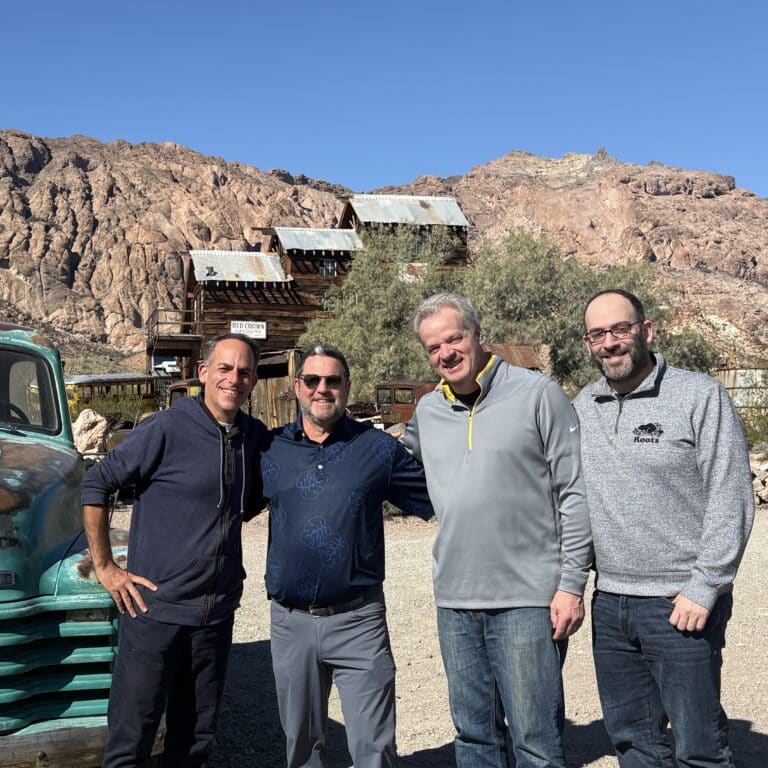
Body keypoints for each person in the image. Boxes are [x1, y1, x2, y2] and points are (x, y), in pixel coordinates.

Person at [400, 292, 592, 768]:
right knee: (473, 736)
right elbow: (392, 467)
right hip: (455, 602)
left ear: (478, 335)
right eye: (432, 347)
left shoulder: (538, 393)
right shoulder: (428, 411)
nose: (445, 353)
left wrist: (571, 585)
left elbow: (575, 492)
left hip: (527, 601)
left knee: (535, 741)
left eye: (454, 338)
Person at [574, 289, 755, 768]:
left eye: (621, 329)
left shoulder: (699, 396)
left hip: (680, 604)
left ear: (647, 331)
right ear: (588, 343)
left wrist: (706, 586)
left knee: (699, 745)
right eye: (598, 334)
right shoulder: (582, 405)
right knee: (635, 742)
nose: (610, 343)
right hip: (610, 603)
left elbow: (730, 493)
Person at [80, 332, 267, 768]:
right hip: (153, 611)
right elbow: (96, 483)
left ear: (254, 380)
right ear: (203, 373)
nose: (233, 379)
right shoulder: (165, 428)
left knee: (195, 743)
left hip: (214, 617)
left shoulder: (253, 437)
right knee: (132, 740)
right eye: (224, 368)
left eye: (243, 371)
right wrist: (106, 567)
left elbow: (249, 501)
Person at [258, 344, 432, 768]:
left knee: (374, 748)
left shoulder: (377, 449)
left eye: (333, 380)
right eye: (313, 380)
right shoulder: (269, 449)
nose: (323, 389)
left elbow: (443, 497)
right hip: (290, 621)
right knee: (301, 747)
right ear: (297, 386)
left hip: (359, 620)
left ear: (347, 387)